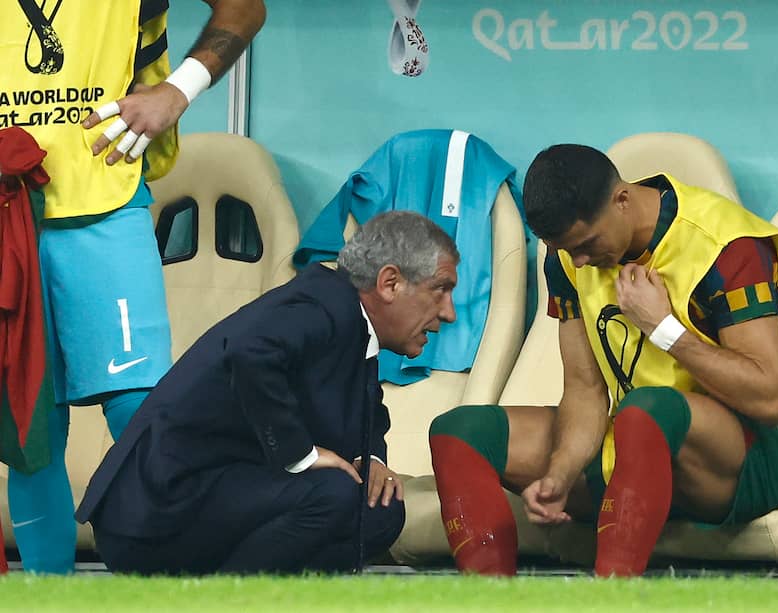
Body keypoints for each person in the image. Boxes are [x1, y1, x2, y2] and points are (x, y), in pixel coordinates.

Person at [428, 144, 778, 576]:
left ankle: (611, 597)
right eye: (565, 250)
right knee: (460, 431)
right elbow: (584, 390)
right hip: (632, 447)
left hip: (747, 462)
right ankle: (488, 603)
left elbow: (769, 399)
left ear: (623, 200)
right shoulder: (567, 259)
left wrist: (664, 328)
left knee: (647, 409)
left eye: (586, 244)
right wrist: (560, 473)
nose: (579, 261)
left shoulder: (727, 247)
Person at [1, 0, 266, 573]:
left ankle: (175, 588)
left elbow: (244, 6)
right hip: (5, 209)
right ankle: (51, 602)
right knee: (31, 430)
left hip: (103, 202)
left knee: (143, 416)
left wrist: (178, 89)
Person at [75, 211, 459, 575]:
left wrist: (370, 457)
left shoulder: (351, 323)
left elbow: (368, 408)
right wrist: (301, 455)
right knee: (334, 495)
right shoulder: (322, 305)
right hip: (156, 512)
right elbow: (250, 354)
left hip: (210, 498)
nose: (449, 313)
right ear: (389, 283)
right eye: (440, 290)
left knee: (378, 509)